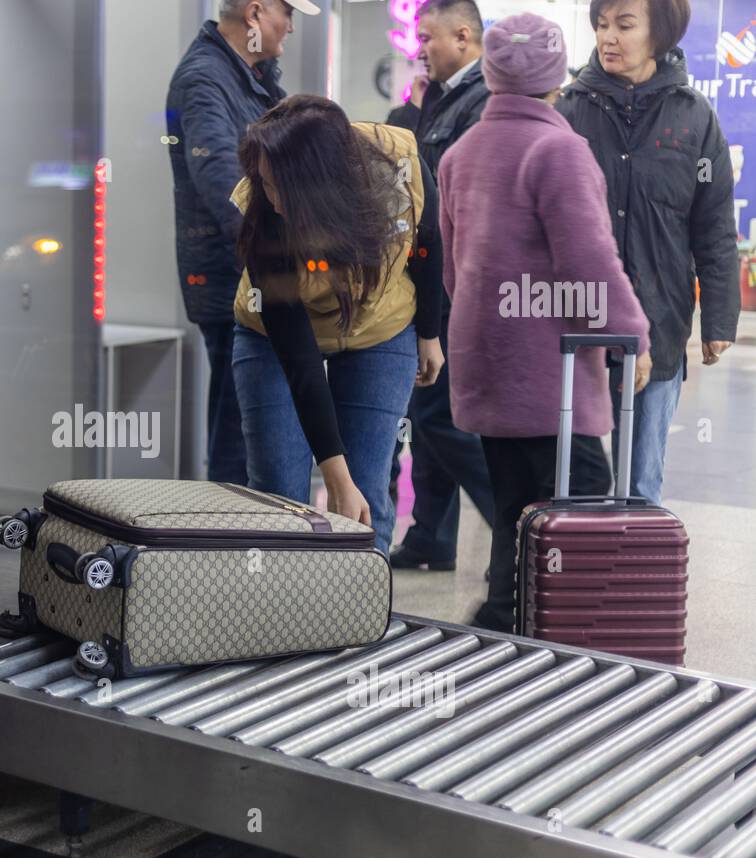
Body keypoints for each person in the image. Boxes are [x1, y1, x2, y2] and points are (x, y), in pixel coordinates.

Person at [438, 13, 652, 632]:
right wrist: (631, 338)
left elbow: (455, 274)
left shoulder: (462, 153)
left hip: (485, 363)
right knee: (580, 500)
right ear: (557, 75)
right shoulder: (557, 149)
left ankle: (505, 618)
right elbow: (588, 263)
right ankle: (571, 632)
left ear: (490, 70)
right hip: (547, 375)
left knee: (513, 507)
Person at [229, 95, 445, 553]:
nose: (273, 198)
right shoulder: (265, 219)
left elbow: (426, 246)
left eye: (281, 186)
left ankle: (363, 618)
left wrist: (430, 332)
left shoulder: (399, 163)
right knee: (278, 496)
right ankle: (278, 621)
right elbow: (300, 361)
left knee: (367, 492)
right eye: (264, 183)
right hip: (276, 343)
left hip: (380, 327)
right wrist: (333, 475)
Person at [557, 0, 738, 505]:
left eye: (624, 24)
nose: (608, 37)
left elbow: (713, 223)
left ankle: (633, 579)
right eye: (601, 24)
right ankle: (572, 576)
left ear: (659, 33)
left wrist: (719, 319)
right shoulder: (569, 110)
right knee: (573, 479)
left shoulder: (694, 117)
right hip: (578, 321)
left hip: (660, 319)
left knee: (641, 484)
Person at [165, 0, 321, 485]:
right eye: (287, 13)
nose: (292, 26)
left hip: (255, 275)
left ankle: (235, 539)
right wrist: (272, 253)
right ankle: (225, 544)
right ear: (255, 12)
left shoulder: (253, 75)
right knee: (241, 427)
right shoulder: (205, 78)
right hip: (236, 278)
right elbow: (218, 177)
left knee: (248, 418)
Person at [390, 0, 495, 574]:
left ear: (463, 36)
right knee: (427, 413)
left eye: (427, 38)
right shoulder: (441, 98)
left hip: (456, 286)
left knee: (437, 415)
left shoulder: (480, 102)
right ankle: (432, 533)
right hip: (432, 281)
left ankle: (514, 522)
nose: (420, 49)